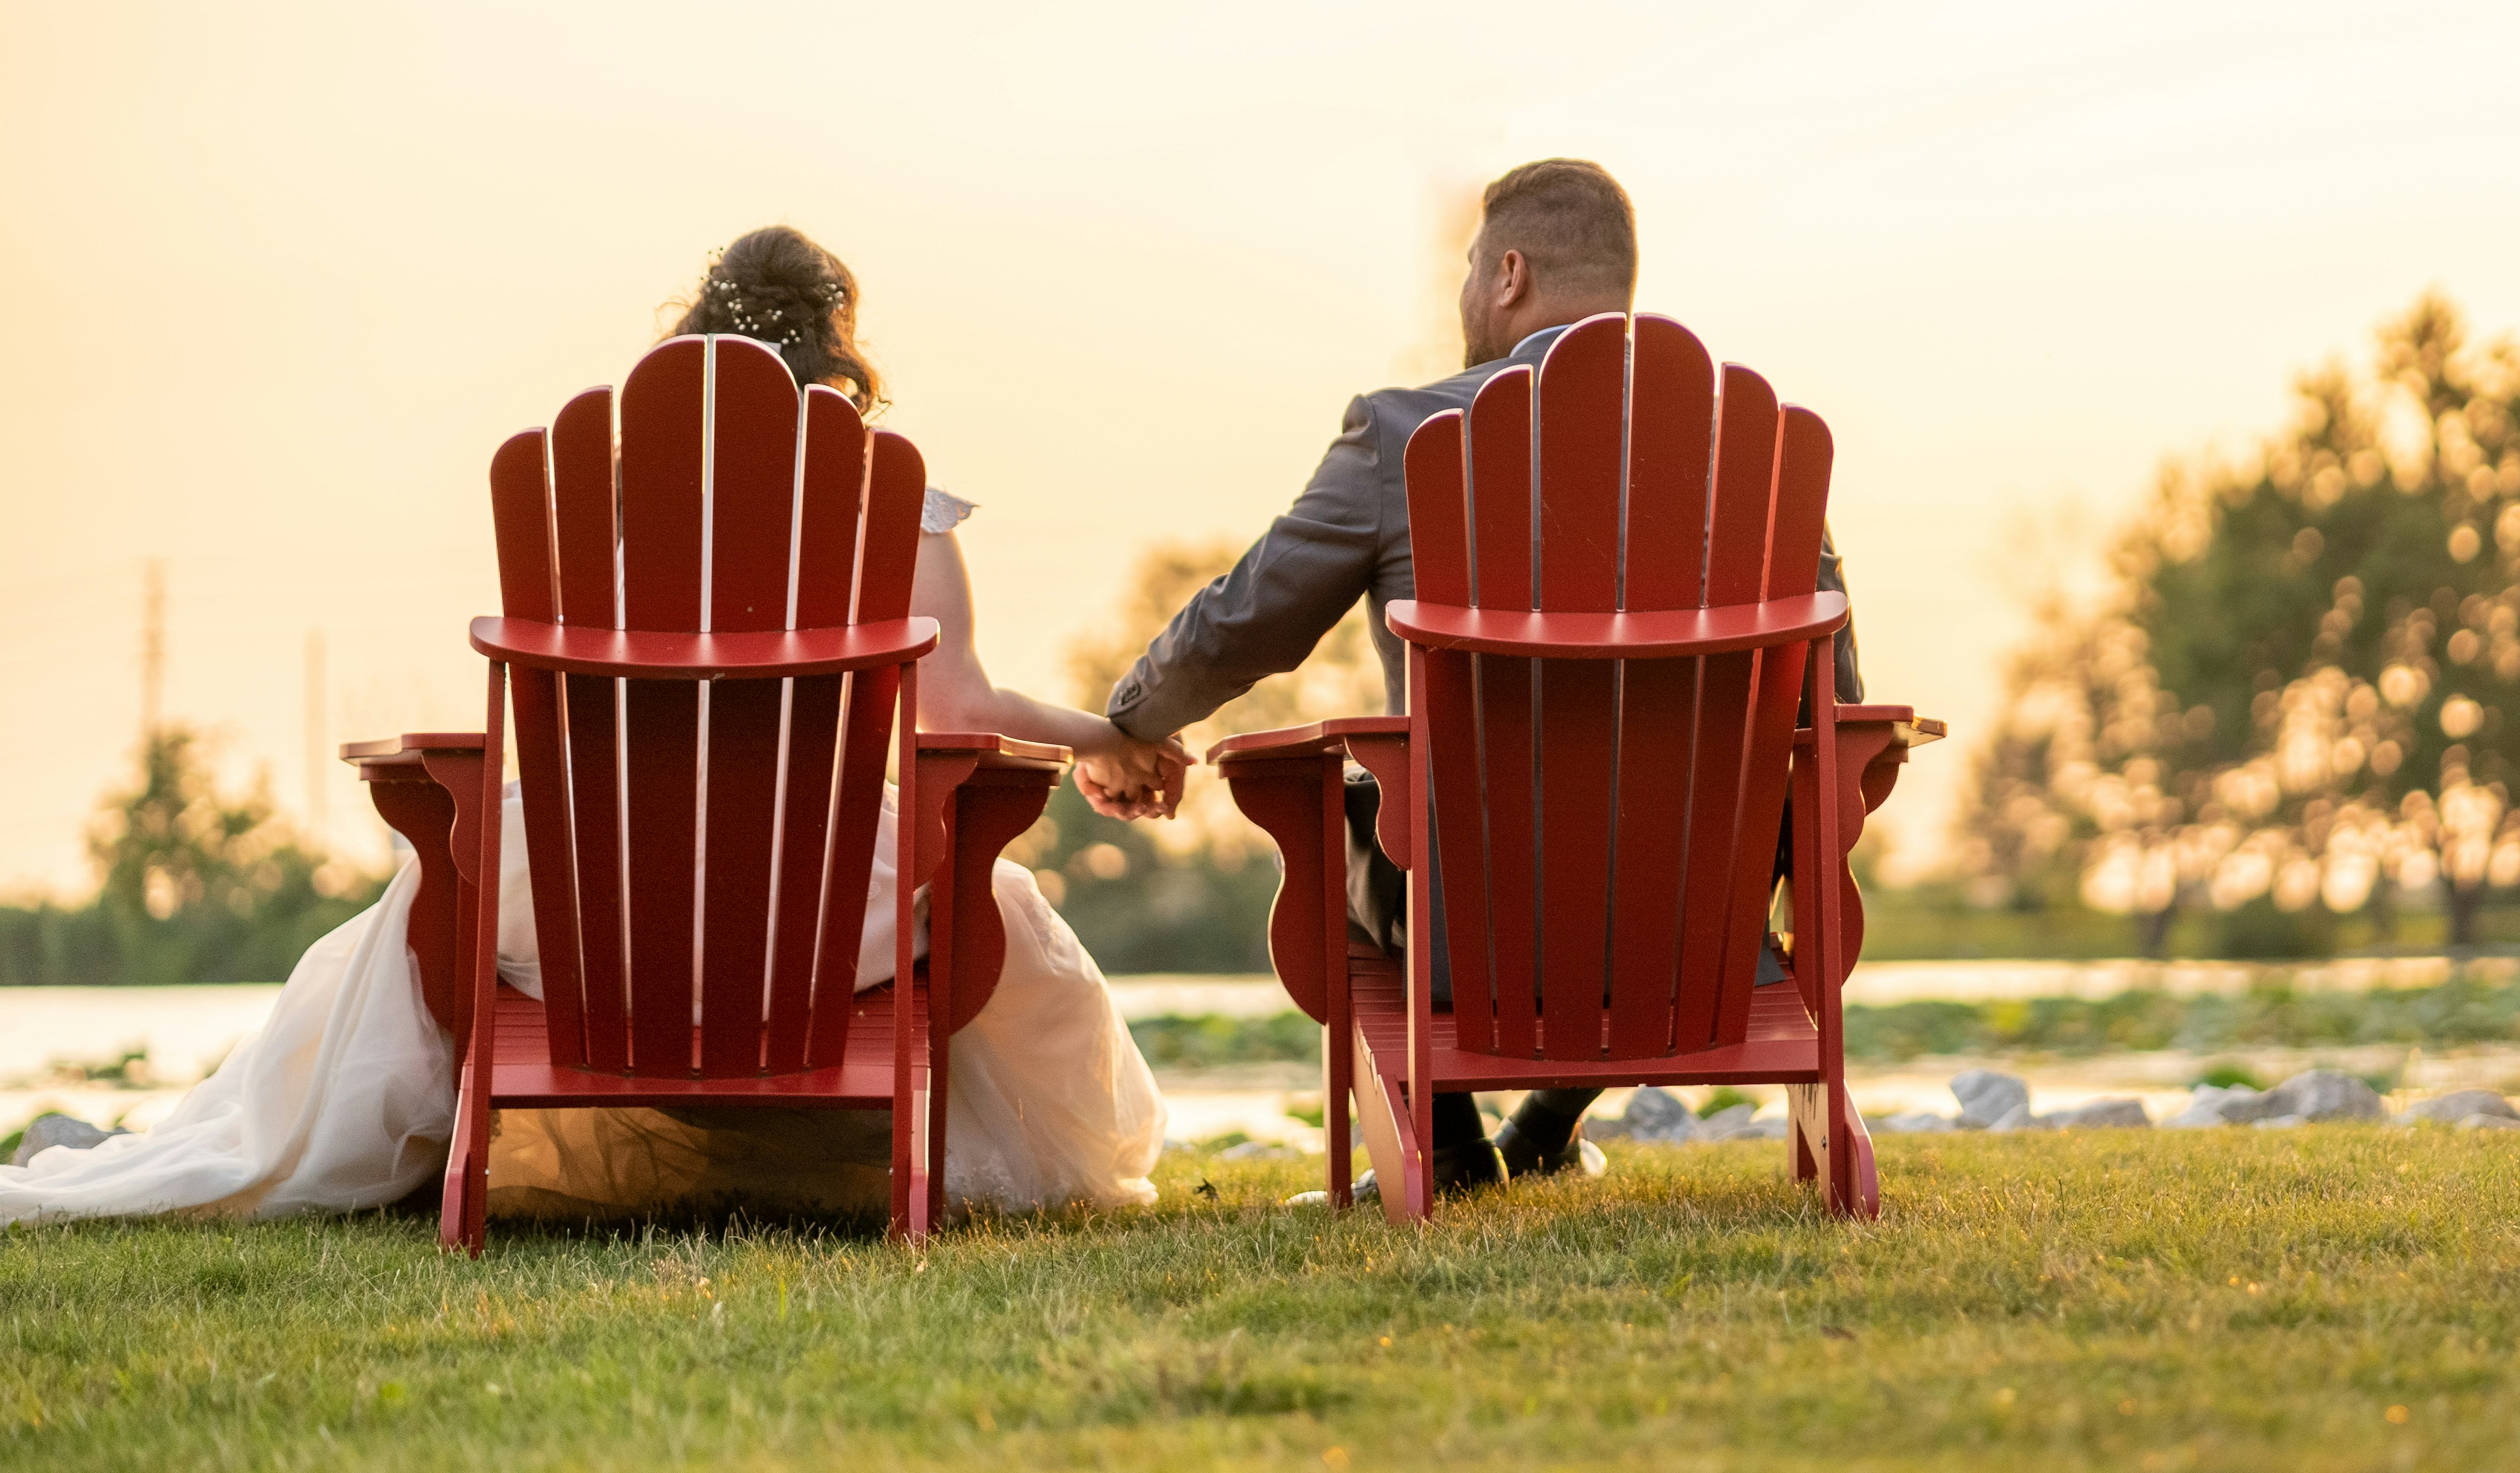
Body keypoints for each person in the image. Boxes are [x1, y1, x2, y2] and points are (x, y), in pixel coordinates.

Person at [1, 228, 1175, 1227]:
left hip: (591, 884)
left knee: (418, 900)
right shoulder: (896, 492)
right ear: (840, 346)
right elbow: (961, 710)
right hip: (826, 900)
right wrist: (1105, 730)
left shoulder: (614, 492)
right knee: (991, 905)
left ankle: (360, 1144)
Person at [1085, 160, 1858, 1197]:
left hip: (1469, 930)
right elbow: (1841, 706)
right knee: (1689, 830)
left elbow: (1242, 627)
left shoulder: (1405, 435)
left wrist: (1125, 723)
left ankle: (1447, 1157)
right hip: (1703, 936)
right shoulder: (1758, 455)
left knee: (1339, 830)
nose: (1460, 298)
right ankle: (1544, 1130)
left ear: (1508, 274)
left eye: (1464, 272)